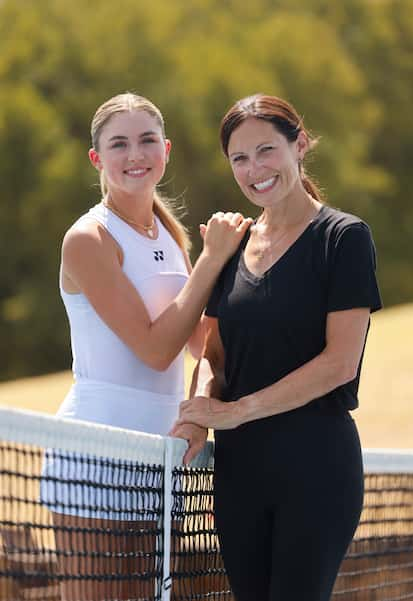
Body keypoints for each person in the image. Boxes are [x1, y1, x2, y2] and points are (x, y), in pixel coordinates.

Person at [41, 92, 251, 601]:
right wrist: (212, 260)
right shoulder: (87, 239)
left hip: (162, 458)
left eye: (147, 140)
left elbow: (199, 342)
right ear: (97, 158)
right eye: (119, 144)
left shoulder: (169, 235)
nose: (135, 154)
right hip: (95, 459)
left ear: (166, 150)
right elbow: (156, 351)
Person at [173, 94, 383, 601]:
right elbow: (214, 355)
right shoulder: (233, 247)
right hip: (238, 472)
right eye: (239, 159)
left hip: (316, 464)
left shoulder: (344, 238)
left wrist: (239, 411)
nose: (254, 170)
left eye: (266, 151)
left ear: (300, 145)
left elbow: (339, 363)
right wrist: (199, 411)